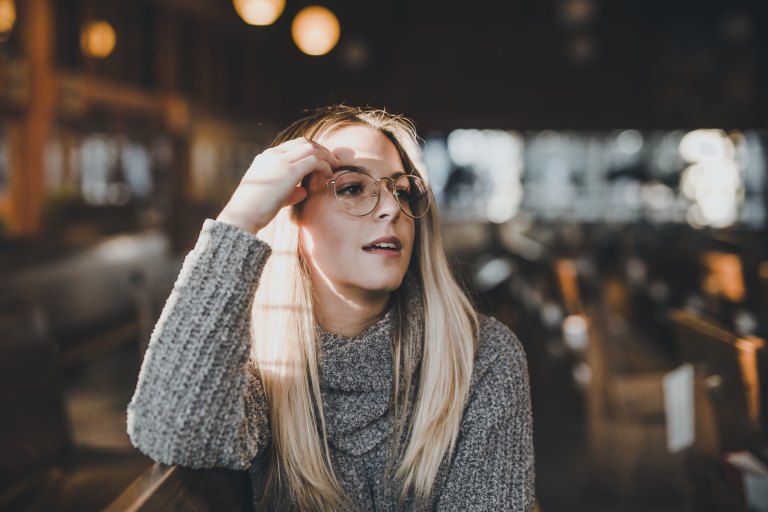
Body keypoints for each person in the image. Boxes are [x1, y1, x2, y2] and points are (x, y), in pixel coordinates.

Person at [127, 105, 534, 511]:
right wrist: (239, 219)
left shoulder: (481, 357)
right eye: (353, 188)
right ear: (293, 216)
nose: (392, 208)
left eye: (401, 189)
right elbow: (169, 429)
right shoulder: (252, 366)